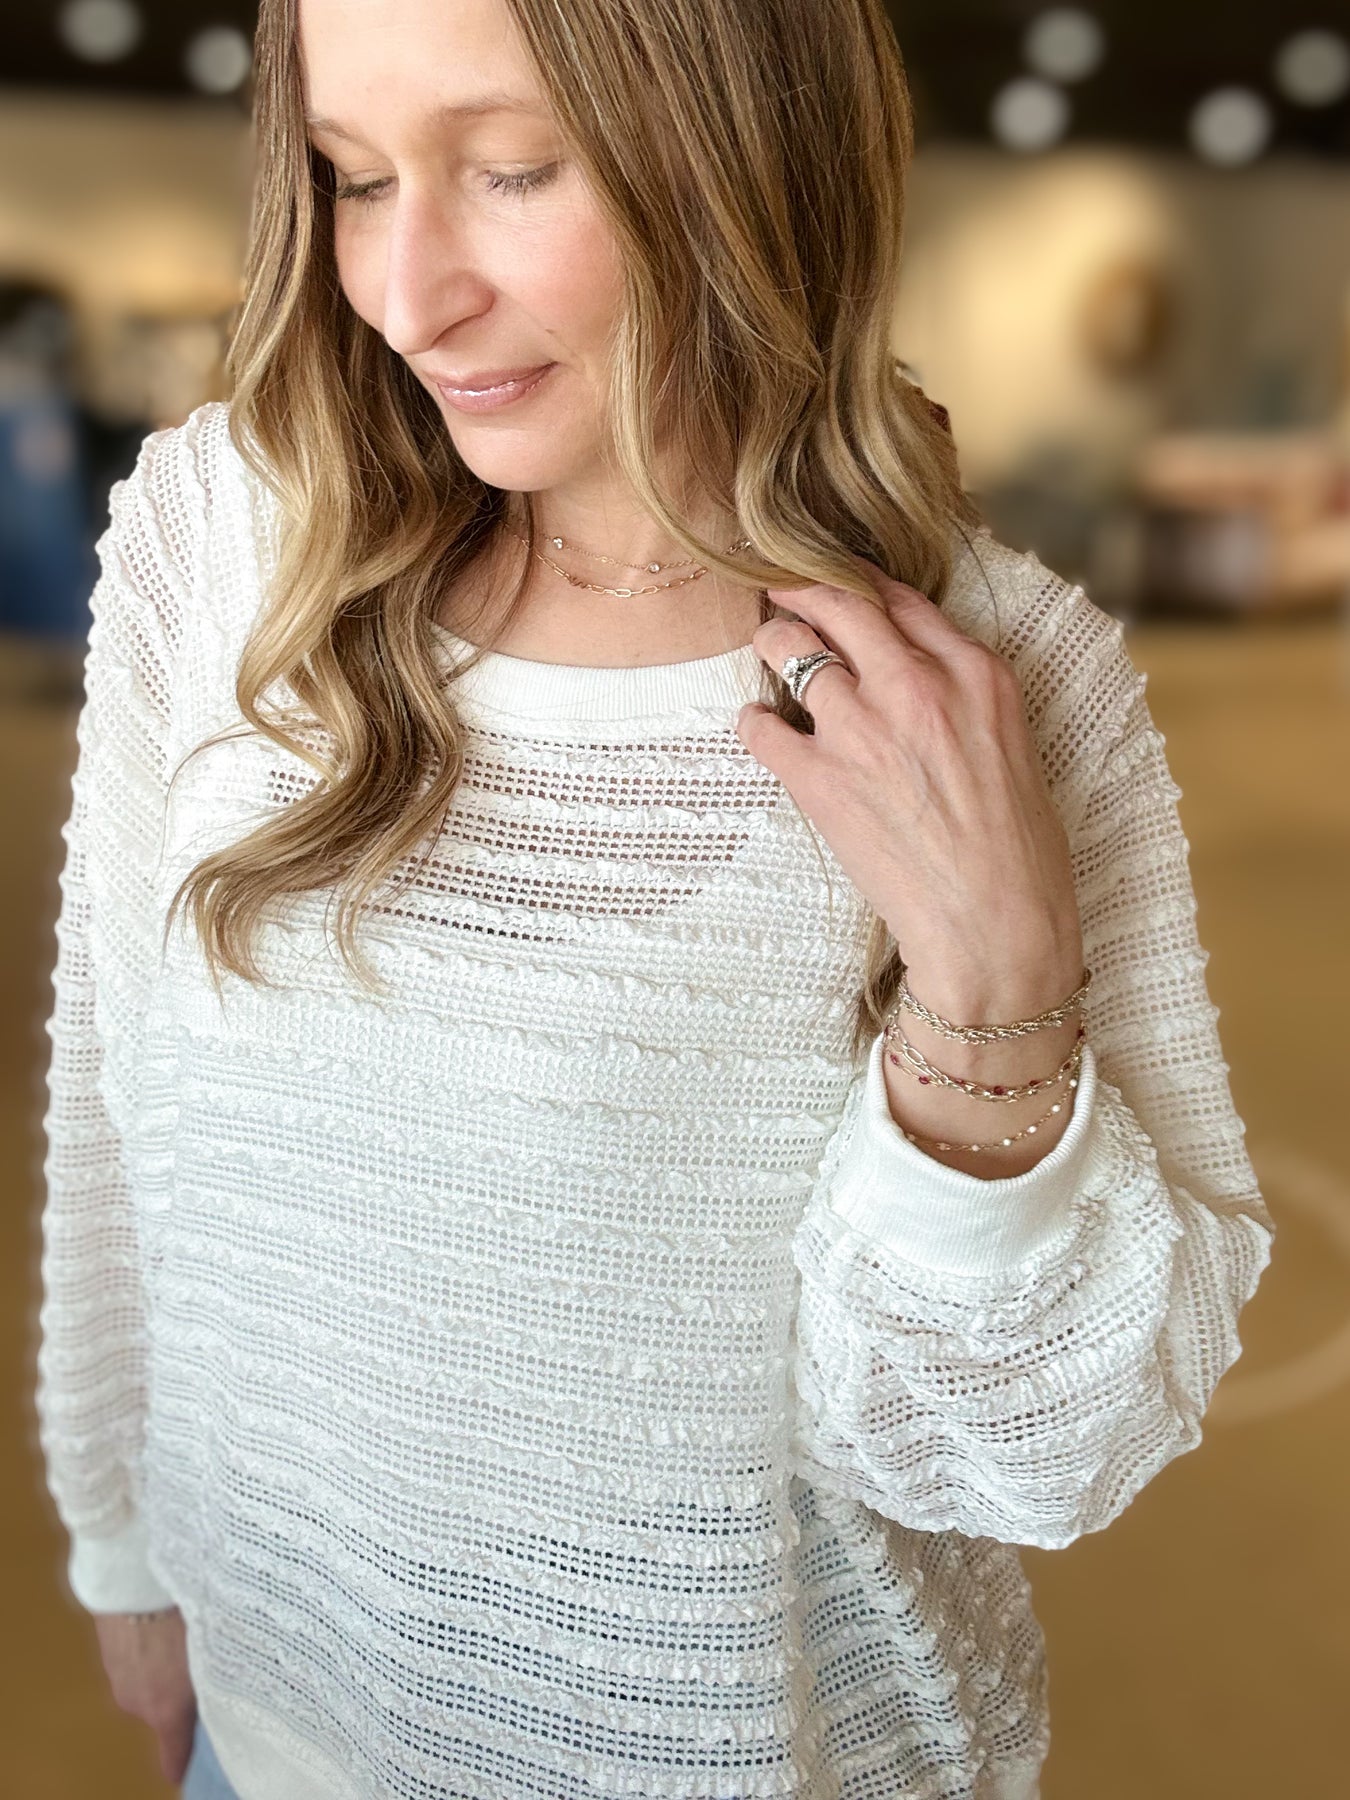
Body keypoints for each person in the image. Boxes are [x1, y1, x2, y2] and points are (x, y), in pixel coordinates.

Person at [33, 0, 1274, 1796]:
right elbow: (112, 1099)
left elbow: (1035, 1460)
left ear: (749, 146)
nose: (404, 294)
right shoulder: (223, 535)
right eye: (353, 178)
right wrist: (121, 1543)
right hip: (266, 1727)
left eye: (512, 170)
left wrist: (991, 978)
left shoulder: (1003, 687)